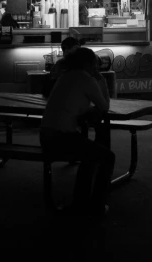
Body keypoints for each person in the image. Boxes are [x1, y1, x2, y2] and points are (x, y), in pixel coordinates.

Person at [40, 48, 115, 218]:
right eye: (96, 63)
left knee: (90, 156)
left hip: (46, 136)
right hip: (62, 137)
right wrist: (102, 81)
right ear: (89, 64)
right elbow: (104, 106)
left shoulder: (65, 76)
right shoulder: (86, 79)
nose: (98, 66)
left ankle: (80, 203)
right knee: (107, 157)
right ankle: (96, 206)